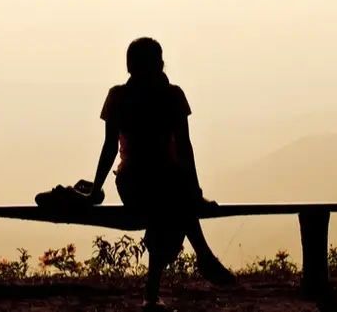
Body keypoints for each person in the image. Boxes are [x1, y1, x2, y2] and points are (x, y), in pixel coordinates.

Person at [84, 37, 236, 310]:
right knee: (172, 200)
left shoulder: (119, 96)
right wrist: (196, 194)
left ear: (129, 66)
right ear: (160, 63)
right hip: (165, 183)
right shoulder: (172, 95)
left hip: (135, 182)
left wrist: (96, 189)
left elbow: (109, 147)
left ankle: (152, 294)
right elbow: (185, 147)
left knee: (165, 207)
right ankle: (201, 257)